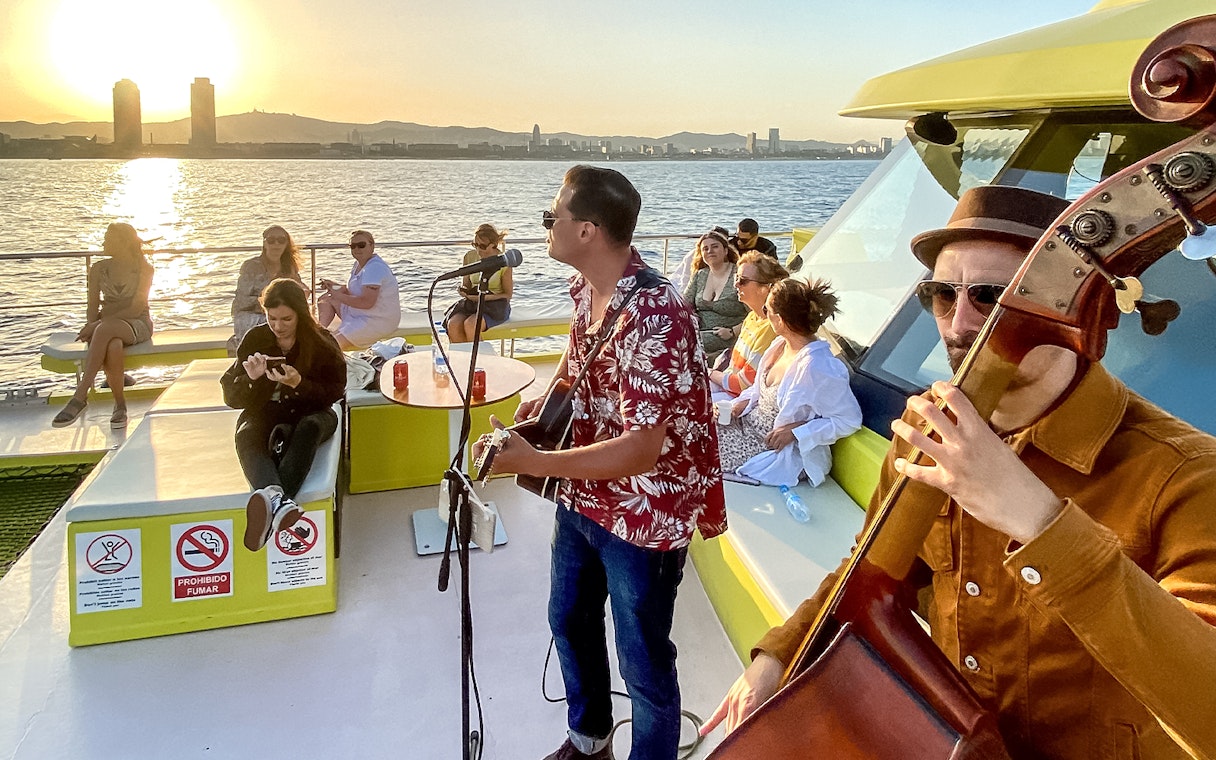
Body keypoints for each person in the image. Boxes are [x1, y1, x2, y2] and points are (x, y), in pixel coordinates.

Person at [702, 185, 1216, 758]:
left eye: (993, 297)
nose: (957, 324)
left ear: (1077, 309)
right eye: (941, 296)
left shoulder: (1184, 474)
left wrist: (1039, 519)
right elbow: (876, 569)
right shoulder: (930, 431)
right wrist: (781, 653)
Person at [473, 165, 727, 760]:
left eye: (551, 217)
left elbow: (643, 448)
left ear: (587, 229)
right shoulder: (586, 290)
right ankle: (589, 743)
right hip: (586, 495)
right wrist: (545, 402)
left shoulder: (658, 313)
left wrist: (535, 460)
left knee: (641, 661)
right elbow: (577, 365)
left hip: (646, 510)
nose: (545, 225)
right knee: (571, 621)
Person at [220, 278, 346, 552]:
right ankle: (280, 504)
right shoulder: (256, 338)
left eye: (286, 319)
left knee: (309, 428)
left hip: (313, 411)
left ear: (300, 314)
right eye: (272, 318)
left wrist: (299, 384)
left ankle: (270, 504)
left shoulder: (322, 342)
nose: (278, 326)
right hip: (266, 411)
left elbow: (335, 392)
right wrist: (251, 380)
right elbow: (231, 397)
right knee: (247, 434)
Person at [717, 277, 861, 486]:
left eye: (766, 311)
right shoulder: (779, 346)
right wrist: (739, 404)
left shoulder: (818, 367)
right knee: (691, 426)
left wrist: (796, 431)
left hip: (768, 447)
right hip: (745, 426)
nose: (764, 316)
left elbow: (848, 420)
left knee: (693, 451)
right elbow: (758, 390)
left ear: (780, 320)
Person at [52, 222, 155, 430]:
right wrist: (93, 325)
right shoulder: (98, 269)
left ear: (123, 243)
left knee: (105, 330)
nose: (103, 242)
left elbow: (136, 307)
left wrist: (97, 325)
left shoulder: (144, 269)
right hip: (105, 327)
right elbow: (92, 305)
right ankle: (120, 406)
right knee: (113, 346)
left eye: (108, 239)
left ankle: (80, 396)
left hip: (137, 323)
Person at [708, 252, 787, 401]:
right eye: (736, 278)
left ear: (765, 288)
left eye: (743, 281)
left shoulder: (770, 329)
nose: (736, 284)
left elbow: (742, 384)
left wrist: (710, 373)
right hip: (725, 384)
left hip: (739, 398)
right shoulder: (752, 317)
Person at [227, 225, 305, 355]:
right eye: (271, 240)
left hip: (278, 313)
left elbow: (297, 292)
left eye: (281, 240)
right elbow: (242, 300)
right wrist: (267, 306)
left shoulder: (289, 267)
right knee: (272, 323)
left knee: (302, 323)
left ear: (287, 244)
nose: (276, 244)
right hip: (249, 313)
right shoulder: (251, 266)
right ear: (264, 243)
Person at [317, 229, 401, 350]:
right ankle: (319, 331)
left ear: (372, 246)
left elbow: (367, 302)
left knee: (333, 343)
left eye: (361, 245)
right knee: (325, 299)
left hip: (376, 320)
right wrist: (333, 286)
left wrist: (338, 295)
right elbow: (351, 291)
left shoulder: (374, 268)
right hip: (359, 313)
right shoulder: (358, 264)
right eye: (353, 246)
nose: (357, 249)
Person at [683, 228, 749, 364]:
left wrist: (732, 331)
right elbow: (684, 306)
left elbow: (757, 314)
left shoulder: (739, 275)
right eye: (705, 249)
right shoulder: (700, 275)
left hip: (727, 335)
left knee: (682, 344)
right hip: (700, 332)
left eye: (715, 247)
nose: (710, 251)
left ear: (725, 250)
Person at [443, 223, 513, 342]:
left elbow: (507, 295)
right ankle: (462, 359)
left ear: (493, 245)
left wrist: (484, 298)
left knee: (471, 325)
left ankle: (479, 359)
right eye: (475, 244)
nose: (478, 249)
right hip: (473, 302)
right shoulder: (470, 257)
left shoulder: (503, 262)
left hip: (495, 305)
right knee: (453, 324)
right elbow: (467, 284)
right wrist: (464, 290)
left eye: (482, 246)